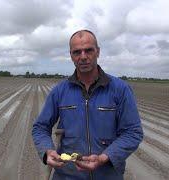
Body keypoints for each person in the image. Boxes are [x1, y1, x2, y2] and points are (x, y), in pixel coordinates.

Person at [32, 29, 143, 180]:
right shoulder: (60, 91)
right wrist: (47, 151)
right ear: (71, 55)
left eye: (88, 50)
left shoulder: (120, 89)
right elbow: (40, 127)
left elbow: (132, 132)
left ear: (98, 52)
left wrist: (104, 157)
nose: (83, 56)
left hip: (108, 175)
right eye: (77, 52)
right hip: (67, 175)